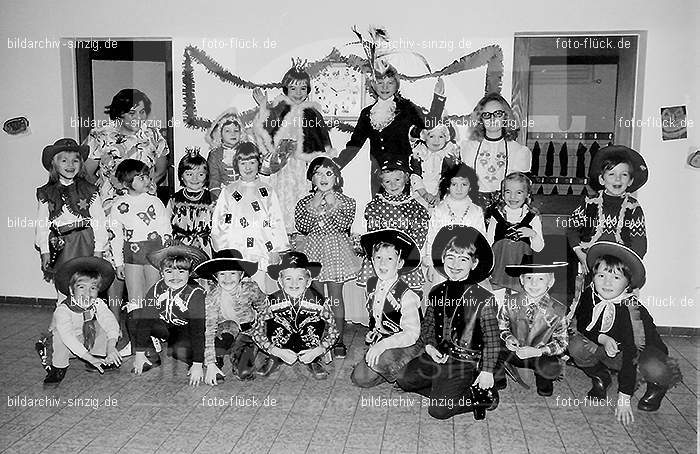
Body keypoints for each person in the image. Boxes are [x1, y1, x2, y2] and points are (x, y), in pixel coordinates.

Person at [83, 88, 170, 352]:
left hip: (147, 210)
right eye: (134, 111)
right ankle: (116, 327)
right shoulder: (100, 134)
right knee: (116, 266)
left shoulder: (152, 135)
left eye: (143, 111)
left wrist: (148, 186)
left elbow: (162, 166)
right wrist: (107, 183)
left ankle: (150, 327)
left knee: (147, 268)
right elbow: (87, 172)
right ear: (120, 112)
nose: (139, 116)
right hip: (114, 209)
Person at [569, 242, 682, 425]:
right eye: (601, 275)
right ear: (593, 276)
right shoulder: (590, 294)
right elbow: (583, 322)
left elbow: (632, 352)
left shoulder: (633, 311)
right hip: (609, 350)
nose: (606, 283)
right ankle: (601, 377)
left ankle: (657, 386)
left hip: (638, 358)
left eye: (615, 277)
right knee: (575, 345)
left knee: (655, 367)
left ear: (628, 282)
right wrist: (602, 338)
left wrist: (623, 399)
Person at [397, 226, 499, 419]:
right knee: (403, 379)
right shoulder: (436, 291)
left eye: (463, 259)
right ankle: (445, 390)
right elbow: (428, 324)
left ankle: (484, 397)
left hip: (466, 362)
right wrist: (429, 346)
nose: (455, 264)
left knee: (438, 411)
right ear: (443, 259)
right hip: (441, 355)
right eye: (450, 257)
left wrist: (487, 371)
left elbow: (493, 340)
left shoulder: (484, 298)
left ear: (474, 263)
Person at [334, 60, 442, 195]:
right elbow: (355, 144)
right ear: (374, 85)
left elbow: (429, 125)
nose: (385, 87)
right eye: (380, 83)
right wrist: (337, 164)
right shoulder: (367, 113)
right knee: (378, 212)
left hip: (401, 174)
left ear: (396, 85)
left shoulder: (406, 108)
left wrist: (439, 98)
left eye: (390, 83)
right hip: (378, 174)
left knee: (402, 213)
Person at [252, 62, 335, 230]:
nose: (298, 93)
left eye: (303, 88)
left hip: (304, 167)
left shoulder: (312, 113)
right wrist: (262, 105)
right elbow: (263, 132)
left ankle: (301, 234)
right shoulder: (279, 110)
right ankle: (282, 235)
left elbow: (324, 140)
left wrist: (325, 163)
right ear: (286, 88)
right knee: (281, 199)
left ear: (308, 90)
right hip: (282, 167)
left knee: (303, 197)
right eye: (294, 88)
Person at [295, 157, 362, 358]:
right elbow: (303, 227)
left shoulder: (347, 202)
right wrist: (315, 204)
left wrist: (332, 204)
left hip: (335, 252)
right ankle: (317, 336)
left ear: (337, 178)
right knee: (316, 298)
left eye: (329, 173)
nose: (323, 178)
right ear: (312, 178)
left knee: (335, 298)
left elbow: (343, 224)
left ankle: (337, 339)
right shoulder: (304, 202)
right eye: (318, 173)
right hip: (313, 252)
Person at [210, 142, 289, 291]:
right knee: (235, 292)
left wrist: (276, 249)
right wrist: (224, 251)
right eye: (243, 163)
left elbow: (276, 221)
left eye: (252, 162)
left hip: (261, 250)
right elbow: (219, 223)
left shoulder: (267, 191)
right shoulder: (229, 191)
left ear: (258, 164)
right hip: (236, 252)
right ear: (236, 164)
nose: (248, 167)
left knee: (259, 290)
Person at [350, 229, 422, 388]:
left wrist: (383, 345)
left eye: (390, 258)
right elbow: (377, 317)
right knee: (359, 378)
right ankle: (389, 368)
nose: (382, 264)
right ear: (372, 260)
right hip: (386, 337)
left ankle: (407, 365)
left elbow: (412, 334)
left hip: (409, 342)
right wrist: (374, 334)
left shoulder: (406, 295)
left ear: (400, 263)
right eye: (378, 258)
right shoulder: (371, 285)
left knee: (376, 368)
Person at [129, 245, 209, 386]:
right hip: (165, 326)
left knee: (178, 350)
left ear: (189, 273)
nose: (175, 277)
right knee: (134, 316)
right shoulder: (156, 289)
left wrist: (197, 363)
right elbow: (145, 321)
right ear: (161, 272)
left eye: (181, 271)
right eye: (169, 271)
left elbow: (198, 331)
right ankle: (150, 356)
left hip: (187, 331)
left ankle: (203, 360)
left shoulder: (195, 293)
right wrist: (139, 353)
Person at [252, 251, 338, 380]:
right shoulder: (271, 301)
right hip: (279, 345)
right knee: (273, 322)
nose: (294, 283)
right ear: (280, 282)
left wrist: (319, 349)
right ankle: (274, 358)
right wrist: (274, 350)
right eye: (288, 278)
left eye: (300, 278)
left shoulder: (319, 302)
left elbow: (333, 331)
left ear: (308, 282)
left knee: (314, 322)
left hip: (310, 346)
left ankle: (313, 359)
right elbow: (257, 331)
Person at [35, 139, 107, 291]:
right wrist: (45, 251)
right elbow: (42, 224)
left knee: (86, 283)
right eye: (64, 160)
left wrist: (98, 249)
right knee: (64, 284)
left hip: (86, 241)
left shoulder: (90, 190)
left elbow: (99, 221)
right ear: (54, 164)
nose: (70, 165)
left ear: (81, 164)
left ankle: (86, 312)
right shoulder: (46, 192)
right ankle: (64, 312)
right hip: (60, 244)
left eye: (75, 160)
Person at [40, 257, 121, 386]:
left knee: (102, 324)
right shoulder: (63, 310)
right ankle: (58, 368)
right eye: (81, 287)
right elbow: (68, 337)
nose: (87, 293)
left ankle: (99, 356)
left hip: (84, 338)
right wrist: (88, 358)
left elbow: (110, 321)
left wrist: (111, 346)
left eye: (93, 288)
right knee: (59, 336)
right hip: (65, 343)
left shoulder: (97, 303)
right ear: (72, 290)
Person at [109, 159, 172, 319]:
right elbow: (115, 237)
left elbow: (165, 228)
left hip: (154, 253)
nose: (147, 180)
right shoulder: (118, 206)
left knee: (154, 293)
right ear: (125, 183)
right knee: (135, 297)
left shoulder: (155, 202)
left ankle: (153, 334)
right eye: (140, 178)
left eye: (147, 176)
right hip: (132, 256)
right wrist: (118, 263)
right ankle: (137, 336)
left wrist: (165, 253)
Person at [495, 261, 568, 397]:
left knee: (550, 367)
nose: (534, 284)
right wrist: (508, 337)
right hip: (514, 351)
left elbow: (562, 343)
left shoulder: (558, 311)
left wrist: (538, 351)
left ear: (550, 282)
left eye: (540, 279)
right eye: (529, 278)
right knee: (490, 345)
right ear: (522, 280)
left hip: (540, 355)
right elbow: (501, 325)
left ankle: (544, 382)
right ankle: (498, 378)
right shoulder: (510, 301)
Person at [358, 157, 429, 294]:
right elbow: (374, 232)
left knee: (405, 296)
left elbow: (419, 233)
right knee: (378, 293)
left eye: (397, 179)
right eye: (387, 181)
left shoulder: (415, 207)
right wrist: (384, 252)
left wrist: (406, 253)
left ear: (406, 179)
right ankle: (377, 314)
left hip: (404, 257)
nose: (393, 185)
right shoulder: (376, 206)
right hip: (382, 257)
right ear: (382, 184)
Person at [194, 249, 265, 384]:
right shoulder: (212, 297)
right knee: (226, 328)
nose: (227, 279)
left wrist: (261, 331)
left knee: (244, 373)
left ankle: (253, 351)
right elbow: (209, 330)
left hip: (248, 333)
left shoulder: (251, 289)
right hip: (226, 330)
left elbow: (264, 308)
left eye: (232, 273)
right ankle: (217, 357)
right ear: (216, 277)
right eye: (222, 274)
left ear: (241, 274)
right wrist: (210, 363)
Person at [460, 93, 531, 210]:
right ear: (480, 118)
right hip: (474, 208)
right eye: (487, 115)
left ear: (505, 117)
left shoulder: (518, 150)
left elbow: (521, 190)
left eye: (497, 114)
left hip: (505, 209)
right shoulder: (467, 148)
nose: (492, 119)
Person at [423, 163, 485, 286]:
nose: (459, 189)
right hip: (442, 260)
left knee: (464, 293)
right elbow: (431, 238)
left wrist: (478, 264)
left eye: (464, 184)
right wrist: (431, 264)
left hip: (466, 261)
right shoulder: (439, 210)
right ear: (447, 186)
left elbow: (481, 238)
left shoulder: (476, 211)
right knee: (442, 292)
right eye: (454, 184)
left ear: (471, 187)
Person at [487, 172, 544, 292]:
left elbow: (539, 248)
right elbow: (488, 243)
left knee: (517, 302)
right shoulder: (497, 215)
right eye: (508, 192)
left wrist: (533, 234)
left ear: (527, 195)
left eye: (519, 192)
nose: (513, 197)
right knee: (497, 298)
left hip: (522, 272)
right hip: (498, 269)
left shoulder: (532, 217)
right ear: (502, 194)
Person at [409, 78, 460, 209]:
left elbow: (450, 177)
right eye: (431, 136)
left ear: (446, 138)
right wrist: (425, 195)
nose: (436, 141)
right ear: (425, 137)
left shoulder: (448, 155)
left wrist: (439, 195)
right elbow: (415, 175)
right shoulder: (419, 153)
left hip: (442, 198)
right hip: (420, 196)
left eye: (441, 136)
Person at [168, 148, 214, 254]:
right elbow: (165, 223)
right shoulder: (174, 200)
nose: (195, 179)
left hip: (205, 248)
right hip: (179, 247)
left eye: (200, 174)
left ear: (206, 176)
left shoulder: (212, 200)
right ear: (181, 176)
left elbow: (219, 227)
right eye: (189, 174)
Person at [205, 108, 247, 201]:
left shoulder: (246, 151)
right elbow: (214, 179)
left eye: (236, 130)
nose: (233, 134)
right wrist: (218, 199)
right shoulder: (215, 154)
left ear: (241, 133)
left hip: (247, 192)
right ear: (220, 134)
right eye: (227, 131)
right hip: (224, 195)